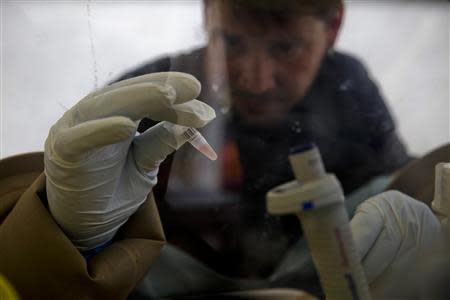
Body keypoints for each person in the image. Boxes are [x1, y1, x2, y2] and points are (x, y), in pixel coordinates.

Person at [0, 0, 444, 299]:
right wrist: (70, 237)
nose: (255, 78)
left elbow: (395, 184)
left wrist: (414, 203)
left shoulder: (349, 87)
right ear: (206, 16)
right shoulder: (149, 98)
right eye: (230, 42)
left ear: (333, 28)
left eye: (286, 47)